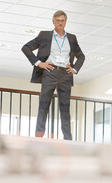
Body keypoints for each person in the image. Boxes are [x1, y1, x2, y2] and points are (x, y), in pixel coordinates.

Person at [22, 10, 85, 140]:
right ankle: (39, 136)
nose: (60, 23)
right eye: (57, 21)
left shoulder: (72, 38)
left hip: (66, 74)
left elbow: (81, 56)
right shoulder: (45, 35)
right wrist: (39, 63)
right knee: (44, 104)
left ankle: (68, 138)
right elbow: (26, 47)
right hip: (50, 72)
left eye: (62, 20)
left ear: (65, 22)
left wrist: (74, 69)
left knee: (65, 107)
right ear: (53, 22)